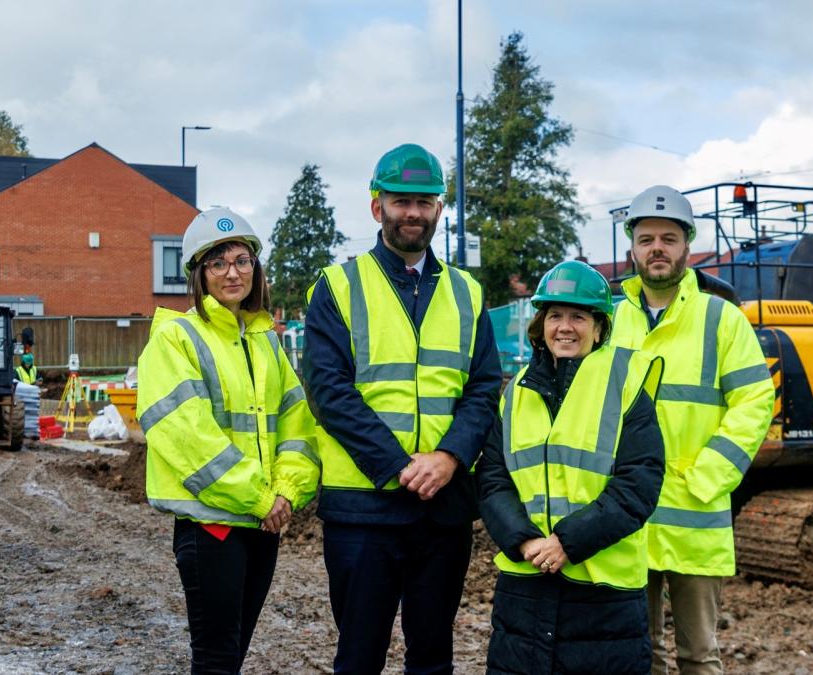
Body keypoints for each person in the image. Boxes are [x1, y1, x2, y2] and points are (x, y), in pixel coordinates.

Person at [303, 143, 502, 674]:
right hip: (363, 509)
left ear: (440, 208)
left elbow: (484, 388)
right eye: (400, 201)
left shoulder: (467, 292)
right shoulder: (338, 287)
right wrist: (400, 467)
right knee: (359, 657)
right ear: (377, 207)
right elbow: (328, 391)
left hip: (444, 507)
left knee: (433, 659)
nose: (412, 212)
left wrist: (450, 458)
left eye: (424, 201)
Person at [136, 206, 319, 674]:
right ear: (199, 275)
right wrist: (262, 498)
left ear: (256, 269)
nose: (231, 272)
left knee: (233, 654)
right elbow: (187, 436)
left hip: (262, 524)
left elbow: (296, 427)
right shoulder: (176, 338)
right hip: (213, 526)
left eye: (241, 260)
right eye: (217, 263)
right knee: (217, 658)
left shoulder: (266, 342)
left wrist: (286, 493)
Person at [608, 186, 775, 675]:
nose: (656, 248)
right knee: (641, 652)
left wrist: (708, 476)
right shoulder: (611, 319)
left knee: (699, 656)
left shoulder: (720, 318)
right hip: (628, 514)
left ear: (687, 246)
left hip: (693, 514)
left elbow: (755, 399)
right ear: (632, 249)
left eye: (668, 238)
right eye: (646, 239)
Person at [477, 261, 666, 675]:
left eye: (578, 316)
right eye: (556, 316)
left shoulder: (626, 382)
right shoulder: (517, 392)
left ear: (599, 327)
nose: (566, 327)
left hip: (602, 596)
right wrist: (525, 541)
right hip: (526, 586)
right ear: (541, 324)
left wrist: (566, 542)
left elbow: (638, 484)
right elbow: (493, 480)